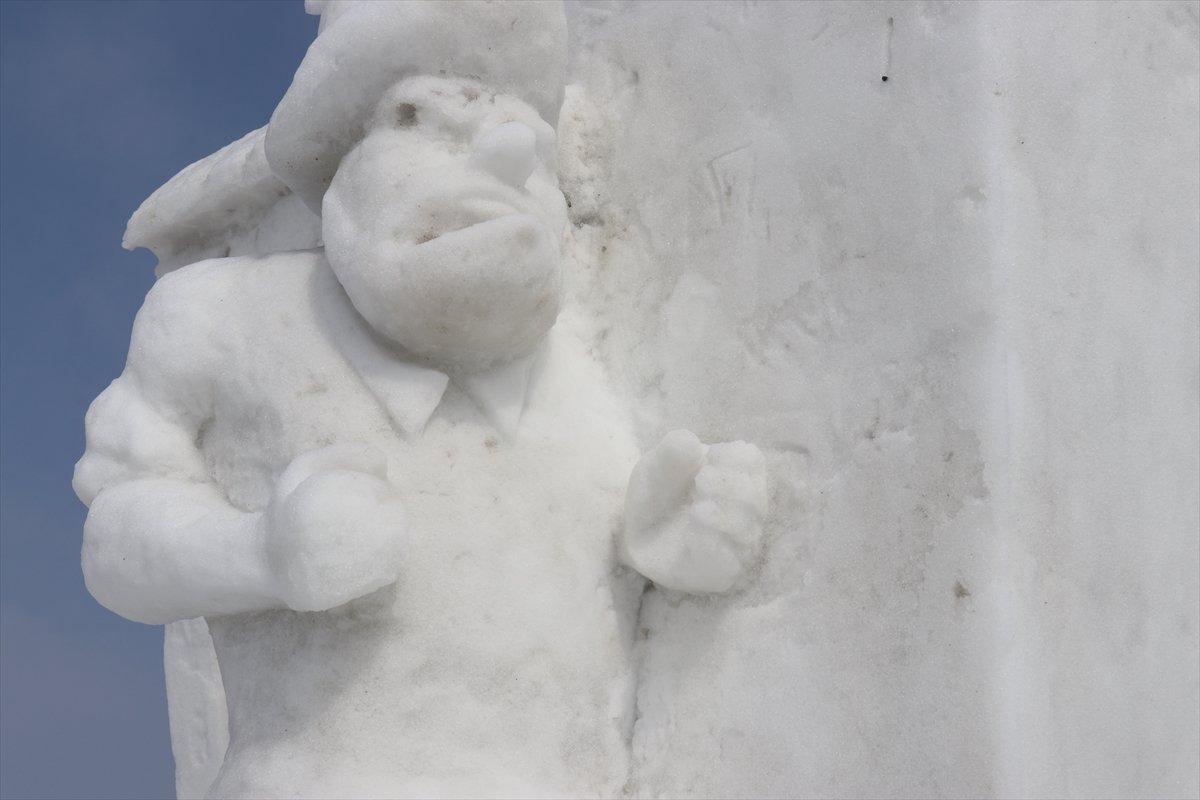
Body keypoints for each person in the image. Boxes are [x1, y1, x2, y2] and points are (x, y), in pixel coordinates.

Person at [75, 2, 767, 796]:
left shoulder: (577, 375)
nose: (507, 155)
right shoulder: (221, 318)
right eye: (424, 119)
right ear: (341, 167)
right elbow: (117, 536)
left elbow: (598, 558)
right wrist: (260, 553)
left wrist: (657, 540)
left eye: (532, 146)